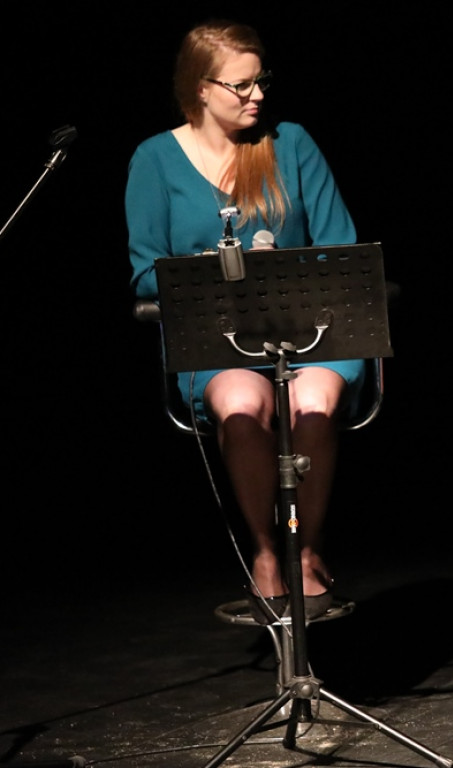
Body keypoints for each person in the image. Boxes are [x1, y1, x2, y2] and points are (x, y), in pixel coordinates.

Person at [126, 19, 365, 625]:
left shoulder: (292, 144)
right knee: (240, 401)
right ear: (200, 88)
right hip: (221, 341)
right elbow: (144, 276)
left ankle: (305, 552)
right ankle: (264, 552)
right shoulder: (154, 158)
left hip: (311, 333)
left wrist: (277, 266)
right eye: (241, 85)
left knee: (313, 399)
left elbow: (341, 247)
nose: (257, 96)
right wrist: (216, 273)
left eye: (261, 82)